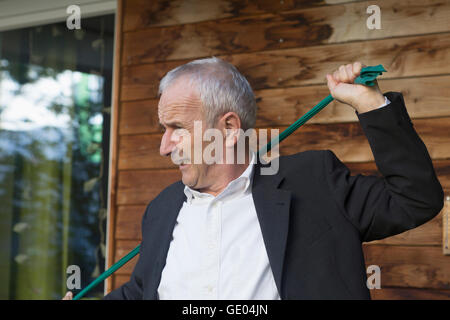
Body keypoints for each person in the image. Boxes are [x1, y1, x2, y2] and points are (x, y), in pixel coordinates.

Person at [64, 57, 443, 300]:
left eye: (177, 127)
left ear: (228, 128)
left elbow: (415, 198)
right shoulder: (163, 208)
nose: (165, 147)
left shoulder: (313, 184)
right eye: (164, 129)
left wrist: (370, 104)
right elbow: (144, 291)